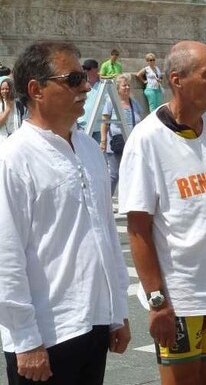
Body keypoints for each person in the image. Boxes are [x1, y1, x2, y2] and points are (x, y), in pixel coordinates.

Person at [119, 41, 206, 385]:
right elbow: (137, 230)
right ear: (177, 80)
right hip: (180, 297)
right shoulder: (147, 140)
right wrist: (157, 301)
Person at [0, 40, 130, 384]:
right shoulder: (12, 158)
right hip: (45, 333)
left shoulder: (87, 148)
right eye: (73, 79)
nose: (86, 86)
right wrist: (25, 340)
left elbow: (105, 234)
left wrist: (117, 311)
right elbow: (5, 256)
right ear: (36, 90)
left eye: (84, 78)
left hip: (93, 323)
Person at [100, 74, 143, 193]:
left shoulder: (134, 102)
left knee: (131, 173)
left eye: (129, 85)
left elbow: (141, 120)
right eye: (124, 85)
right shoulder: (111, 102)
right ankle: (106, 200)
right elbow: (104, 122)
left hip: (132, 143)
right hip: (116, 143)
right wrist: (103, 140)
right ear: (118, 87)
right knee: (114, 175)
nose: (127, 88)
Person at [77, 59, 103, 141]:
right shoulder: (80, 85)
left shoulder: (104, 84)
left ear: (96, 70)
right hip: (82, 126)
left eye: (88, 69)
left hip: (99, 128)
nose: (85, 71)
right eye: (84, 69)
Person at [0, 78, 24, 144]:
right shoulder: (0, 104)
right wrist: (8, 109)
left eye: (7, 89)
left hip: (17, 140)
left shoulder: (20, 105)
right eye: (2, 89)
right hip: (3, 141)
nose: (4, 91)